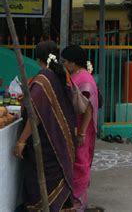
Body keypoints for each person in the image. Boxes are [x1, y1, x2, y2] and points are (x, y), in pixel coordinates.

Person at [14, 40, 76, 211]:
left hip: (47, 141)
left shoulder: (43, 79)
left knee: (41, 185)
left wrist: (21, 141)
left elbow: (35, 114)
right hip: (61, 139)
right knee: (57, 183)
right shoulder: (60, 75)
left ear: (38, 59)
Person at [61, 45, 99, 211]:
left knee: (80, 164)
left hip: (82, 129)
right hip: (75, 127)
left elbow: (88, 108)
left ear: (72, 62)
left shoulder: (84, 79)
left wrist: (82, 132)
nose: (63, 64)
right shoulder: (75, 75)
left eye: (65, 61)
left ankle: (79, 202)